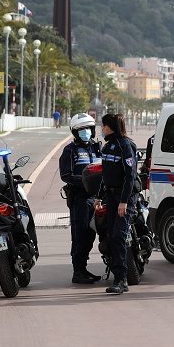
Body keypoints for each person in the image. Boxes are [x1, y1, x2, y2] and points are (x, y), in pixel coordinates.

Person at [94, 114, 140, 294]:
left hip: (124, 197)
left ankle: (122, 280)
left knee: (119, 236)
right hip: (111, 196)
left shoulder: (125, 146)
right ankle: (117, 275)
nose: (101, 129)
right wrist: (98, 197)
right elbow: (104, 176)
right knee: (111, 235)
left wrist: (124, 202)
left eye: (103, 126)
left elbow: (130, 177)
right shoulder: (107, 147)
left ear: (108, 127)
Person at [59, 113, 103, 284]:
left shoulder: (97, 147)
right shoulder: (70, 151)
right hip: (81, 199)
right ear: (75, 132)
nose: (85, 132)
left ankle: (85, 268)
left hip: (99, 198)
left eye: (88, 129)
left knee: (93, 234)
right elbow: (66, 175)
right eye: (81, 129)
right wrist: (85, 184)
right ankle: (78, 271)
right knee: (80, 235)